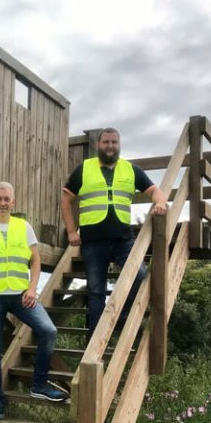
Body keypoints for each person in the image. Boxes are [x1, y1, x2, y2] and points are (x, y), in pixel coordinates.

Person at [0, 182, 68, 422]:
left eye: (7, 199)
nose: (3, 203)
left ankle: (39, 384)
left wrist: (33, 288)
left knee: (48, 330)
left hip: (20, 295)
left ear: (13, 203)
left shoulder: (24, 227)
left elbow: (35, 261)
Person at [60, 128, 168, 338]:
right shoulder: (84, 169)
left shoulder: (130, 169)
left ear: (119, 145)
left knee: (140, 276)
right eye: (106, 142)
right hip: (93, 241)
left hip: (122, 238)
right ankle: (94, 341)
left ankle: (119, 320)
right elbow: (66, 199)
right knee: (96, 292)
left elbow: (155, 191)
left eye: (114, 142)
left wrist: (161, 202)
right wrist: (72, 231)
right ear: (98, 145)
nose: (110, 146)